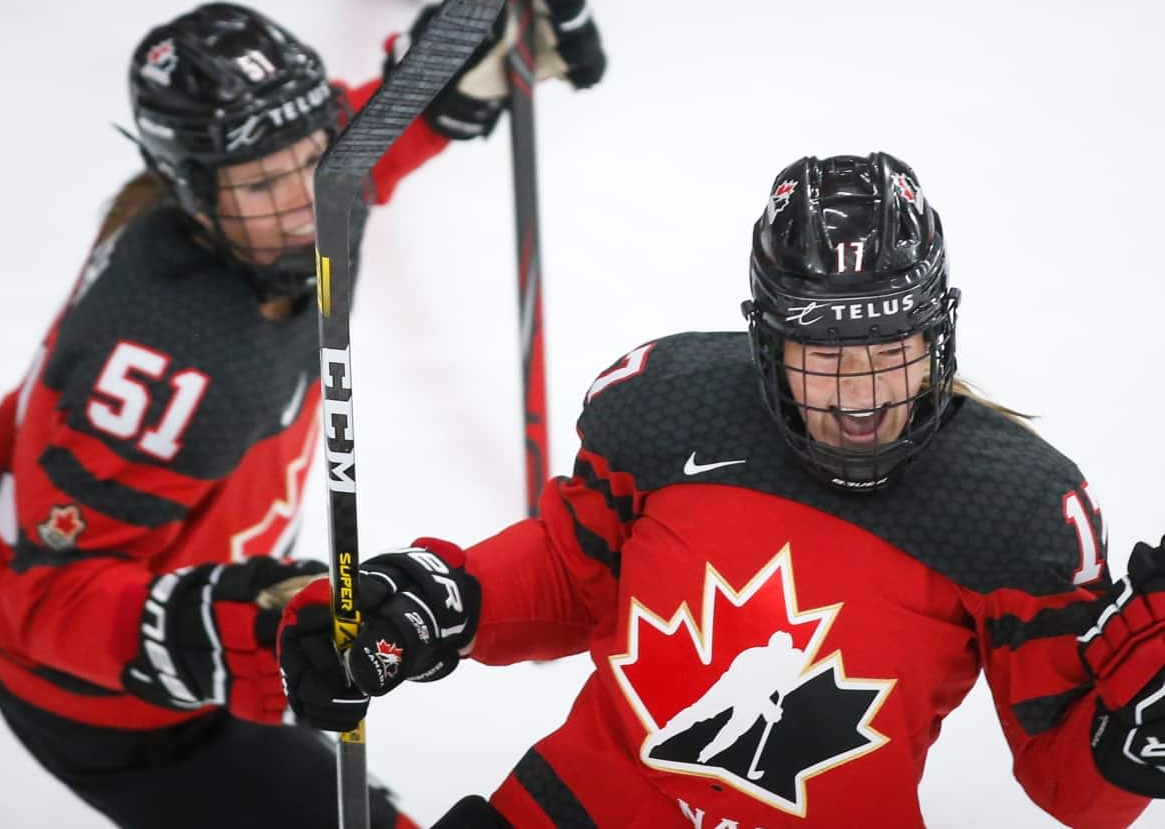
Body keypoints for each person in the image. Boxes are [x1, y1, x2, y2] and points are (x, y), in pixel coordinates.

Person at [278, 152, 1165, 828]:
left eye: (890, 353)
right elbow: (569, 576)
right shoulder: (670, 408)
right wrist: (445, 600)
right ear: (767, 339)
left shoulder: (1015, 509)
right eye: (823, 358)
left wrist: (1147, 712)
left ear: (940, 333)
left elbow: (1072, 782)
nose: (859, 398)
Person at [0, 0, 606, 829]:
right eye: (260, 183)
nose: (304, 201)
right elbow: (43, 601)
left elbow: (342, 157)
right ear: (194, 193)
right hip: (118, 708)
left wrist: (454, 67)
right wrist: (254, 627)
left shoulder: (255, 213)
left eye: (309, 156)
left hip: (182, 619)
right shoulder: (170, 365)